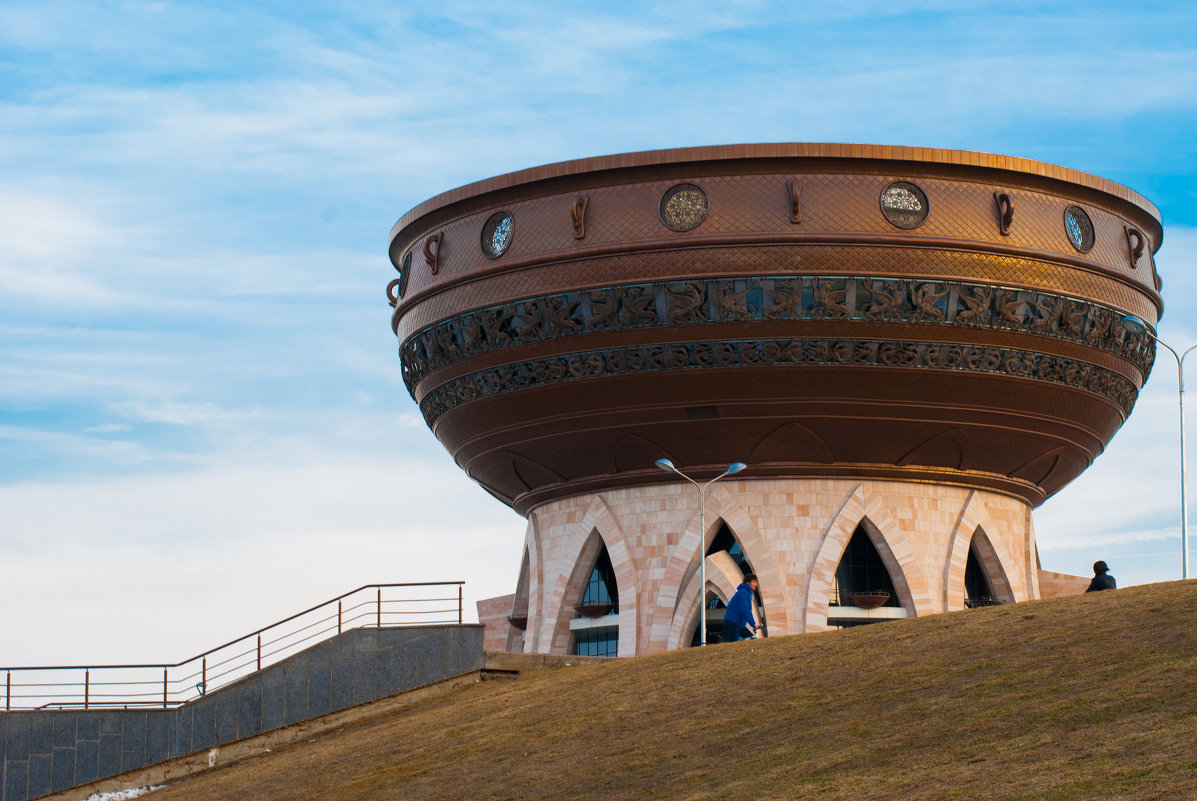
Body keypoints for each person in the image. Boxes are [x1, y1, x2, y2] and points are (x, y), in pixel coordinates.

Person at [723, 573, 759, 642]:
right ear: (747, 583)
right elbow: (744, 610)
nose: (756, 584)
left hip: (739, 624)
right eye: (754, 582)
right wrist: (753, 624)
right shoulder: (743, 592)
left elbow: (749, 611)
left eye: (756, 583)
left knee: (751, 639)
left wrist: (753, 623)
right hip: (732, 622)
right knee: (732, 645)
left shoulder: (748, 594)